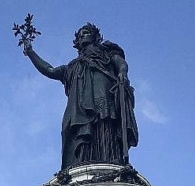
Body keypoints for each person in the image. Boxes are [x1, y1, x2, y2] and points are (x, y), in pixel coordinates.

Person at [23, 23, 138, 171]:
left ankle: (111, 159)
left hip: (104, 97)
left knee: (106, 124)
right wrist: (31, 52)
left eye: (86, 33)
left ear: (95, 36)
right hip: (80, 107)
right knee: (83, 131)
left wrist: (123, 73)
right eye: (80, 34)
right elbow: (50, 70)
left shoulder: (107, 54)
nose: (83, 36)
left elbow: (121, 63)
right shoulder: (72, 66)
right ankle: (83, 160)